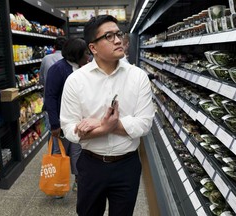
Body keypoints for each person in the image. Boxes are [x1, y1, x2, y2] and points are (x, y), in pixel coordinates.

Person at [60, 15, 155, 216]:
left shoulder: (138, 77)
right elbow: (69, 128)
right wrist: (104, 128)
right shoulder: (75, 81)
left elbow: (144, 124)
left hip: (127, 165)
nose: (118, 40)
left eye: (118, 34)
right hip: (91, 165)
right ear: (93, 48)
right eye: (109, 36)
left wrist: (110, 124)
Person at [44, 37, 90, 194]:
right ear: (76, 54)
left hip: (78, 120)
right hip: (61, 122)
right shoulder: (58, 69)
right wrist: (55, 124)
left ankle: (78, 181)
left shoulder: (82, 68)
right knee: (59, 152)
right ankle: (57, 185)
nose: (88, 56)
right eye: (85, 53)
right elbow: (50, 97)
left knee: (78, 152)